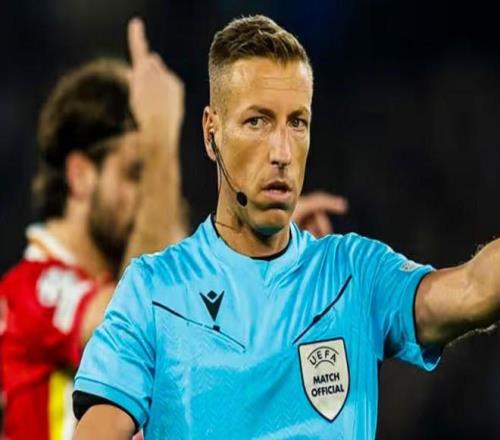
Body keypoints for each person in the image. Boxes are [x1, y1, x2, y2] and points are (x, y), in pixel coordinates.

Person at [72, 15, 500, 440]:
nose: (281, 152)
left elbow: (473, 289)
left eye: (296, 122)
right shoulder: (153, 290)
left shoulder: (353, 274)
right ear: (211, 133)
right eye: (256, 122)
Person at [0, 18, 187, 440]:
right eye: (134, 173)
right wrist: (159, 142)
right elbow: (140, 323)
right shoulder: (31, 293)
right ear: (81, 176)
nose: (149, 196)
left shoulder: (110, 281)